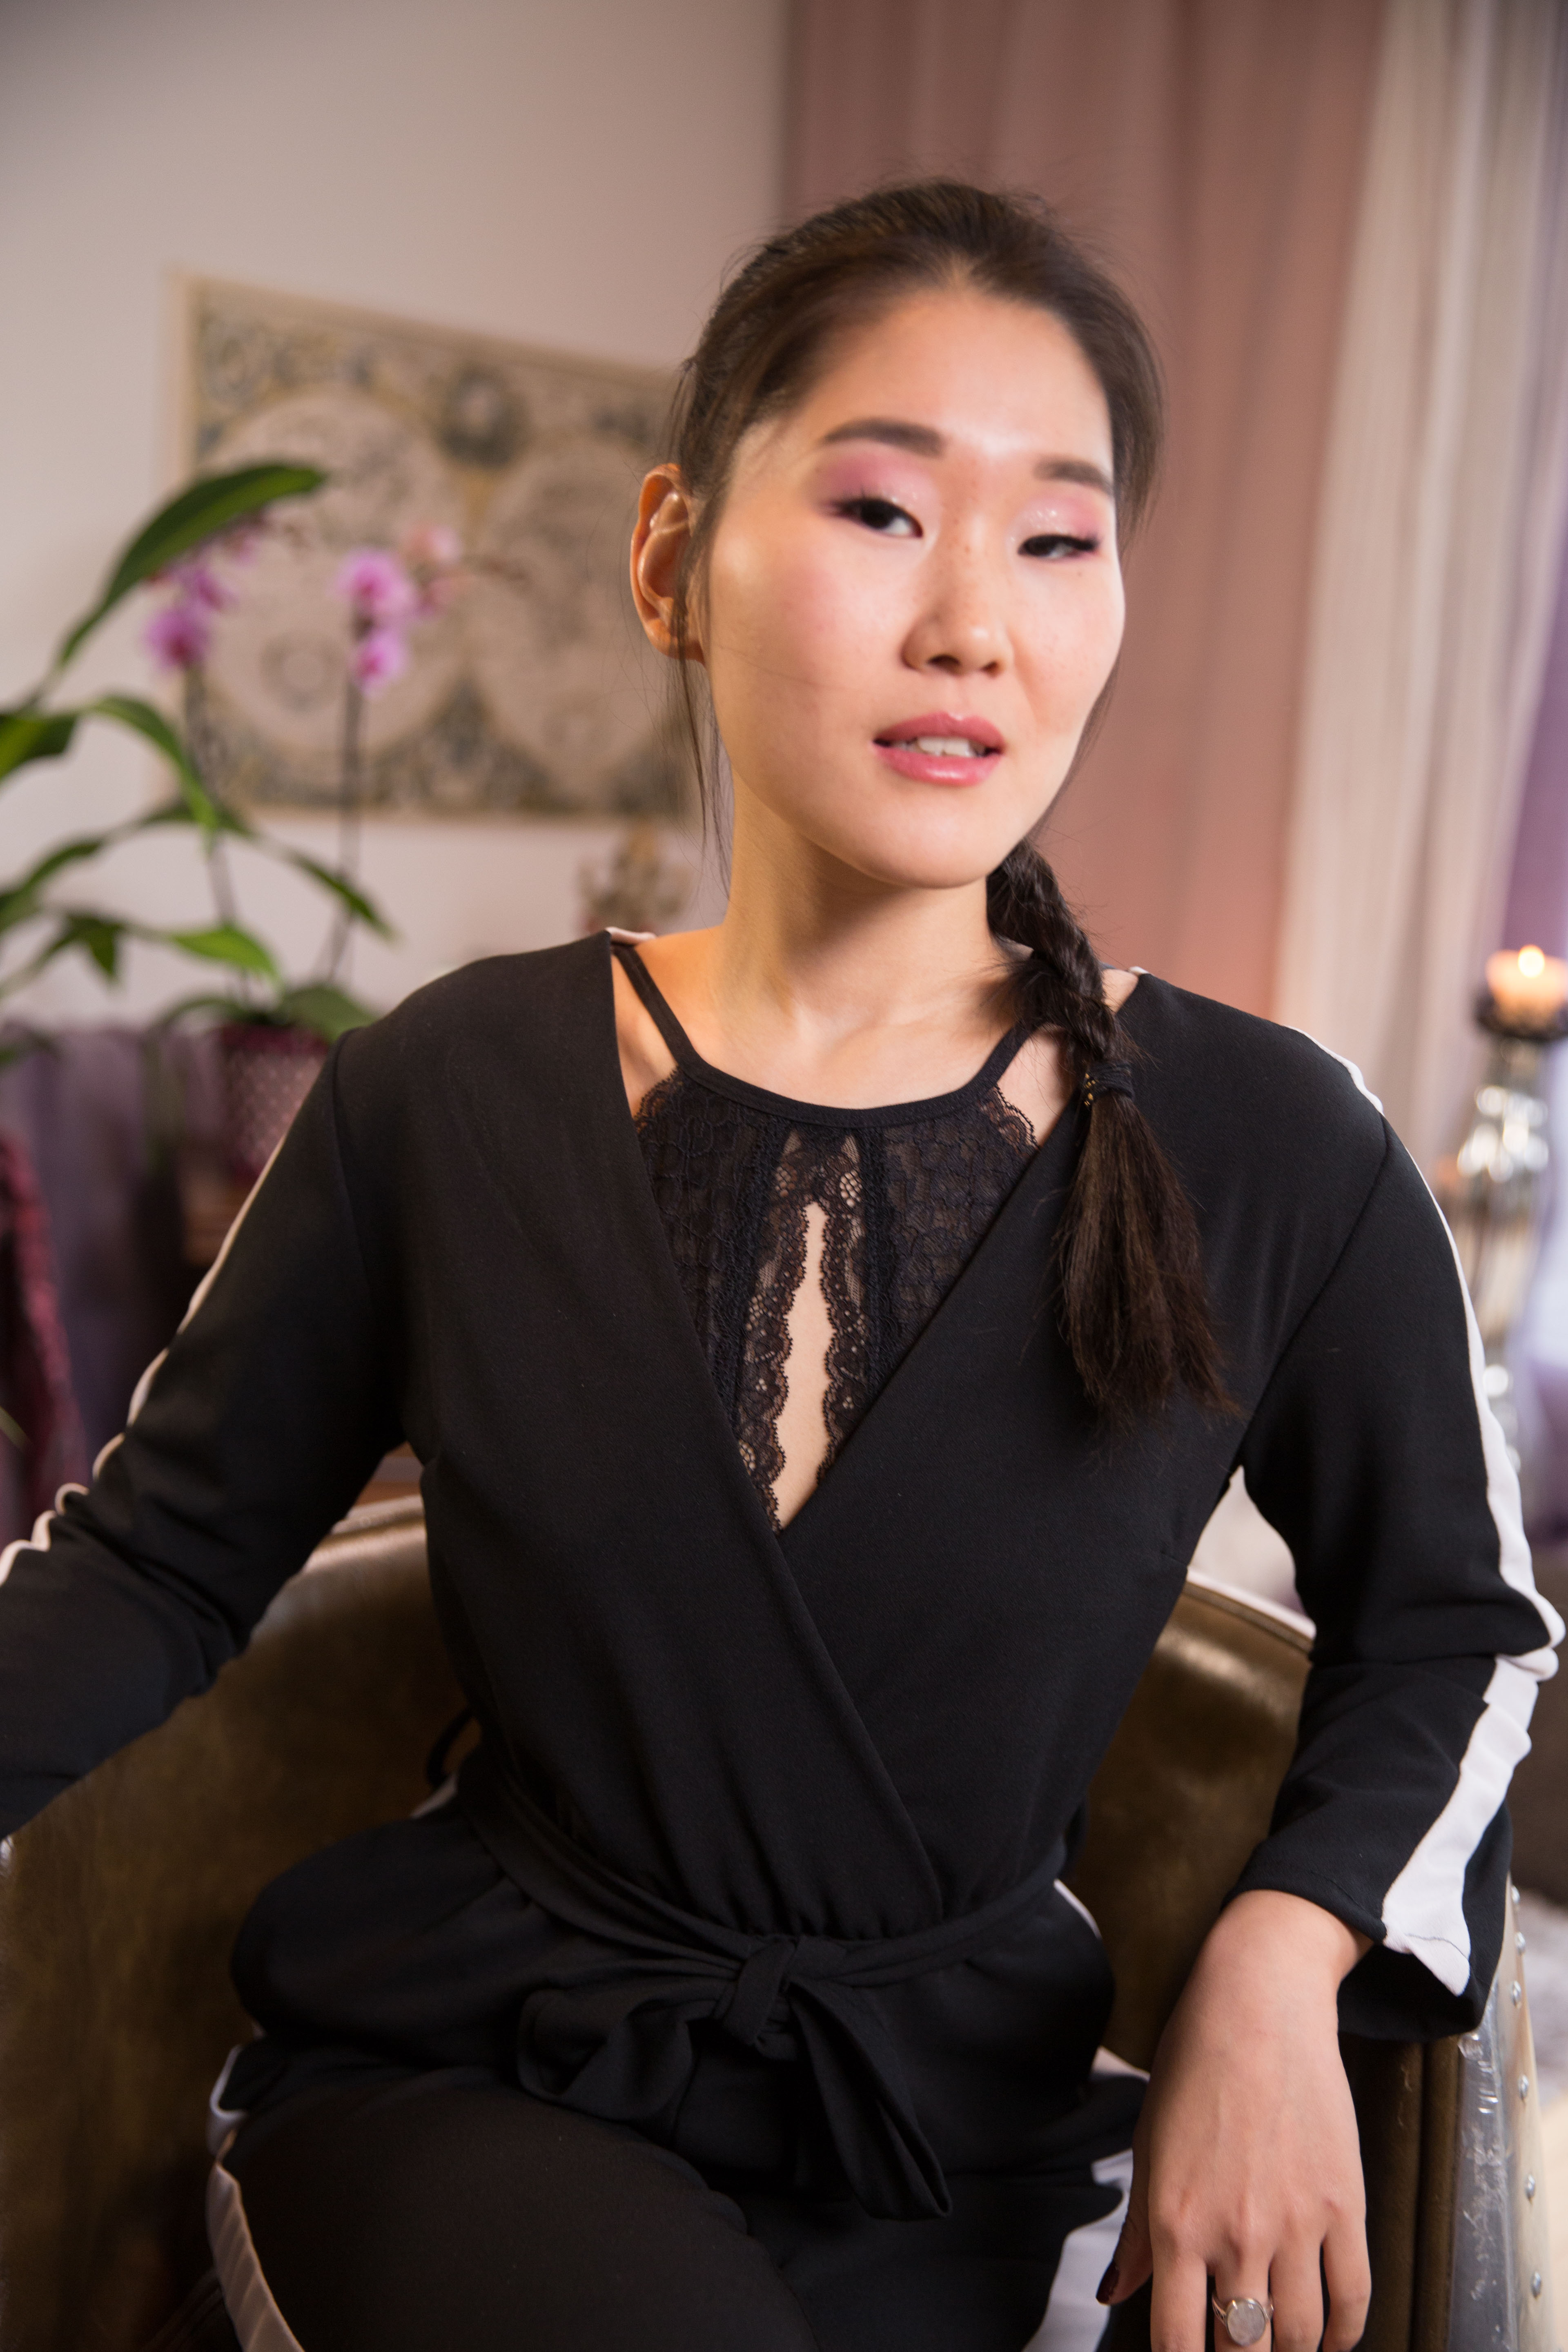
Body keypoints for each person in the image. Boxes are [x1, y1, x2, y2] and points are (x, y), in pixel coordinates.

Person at [0, 182, 1558, 2352]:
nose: (975, 625)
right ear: (671, 559)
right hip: (477, 2080)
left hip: (959, 2142)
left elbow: (1460, 1635)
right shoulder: (447, 1093)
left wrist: (1284, 1958)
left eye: (1059, 538)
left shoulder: (1273, 1143)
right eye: (883, 511)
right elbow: (157, 1565)